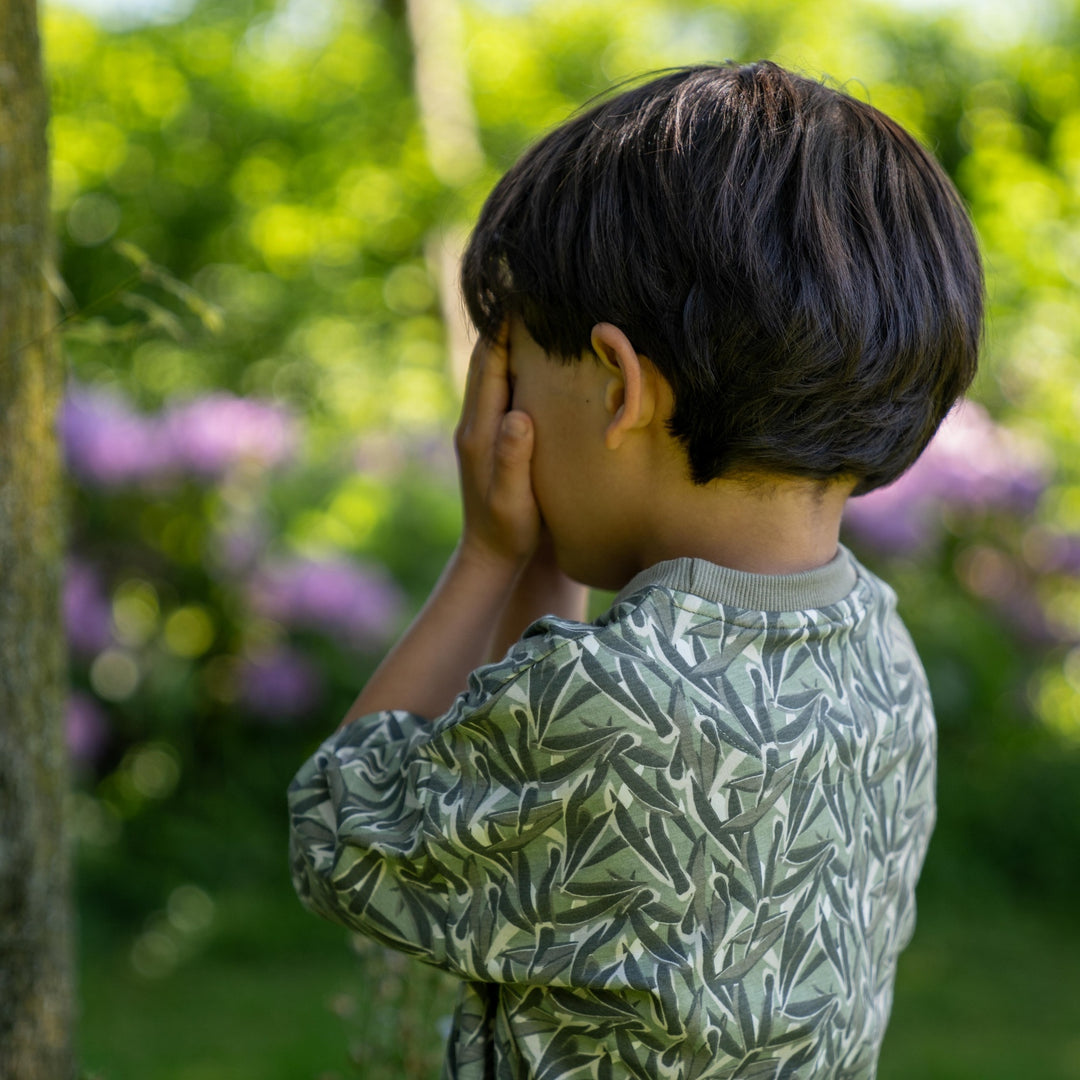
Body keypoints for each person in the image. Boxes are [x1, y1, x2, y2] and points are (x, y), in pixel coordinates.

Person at [288, 60, 983, 1079]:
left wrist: (488, 556)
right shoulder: (880, 657)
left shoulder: (605, 696)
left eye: (513, 374)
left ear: (618, 385)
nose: (501, 416)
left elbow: (340, 834)